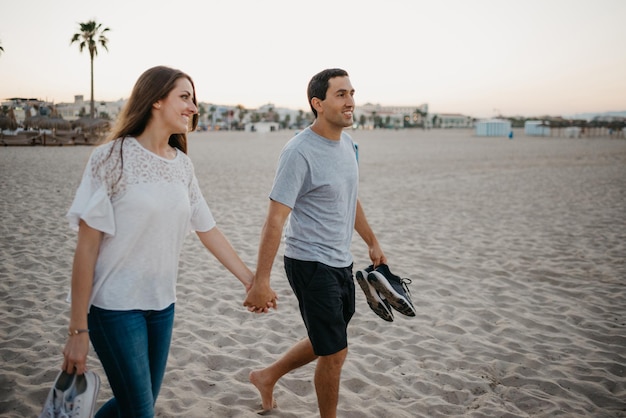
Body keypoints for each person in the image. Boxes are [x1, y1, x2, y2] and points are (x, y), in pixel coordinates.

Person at [61, 65, 273, 417]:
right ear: (156, 100)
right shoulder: (111, 158)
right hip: (113, 307)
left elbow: (208, 229)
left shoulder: (182, 166)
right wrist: (77, 329)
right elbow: (86, 250)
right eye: (185, 97)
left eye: (194, 99)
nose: (193, 107)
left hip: (162, 306)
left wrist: (252, 281)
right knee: (141, 410)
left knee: (136, 405)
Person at [243, 68, 388, 417]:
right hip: (309, 262)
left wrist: (371, 241)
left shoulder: (349, 145)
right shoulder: (298, 152)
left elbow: (349, 198)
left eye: (352, 93)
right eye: (341, 94)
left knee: (328, 340)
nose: (351, 101)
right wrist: (261, 280)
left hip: (342, 261)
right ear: (317, 103)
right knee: (335, 352)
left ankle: (266, 376)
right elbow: (275, 219)